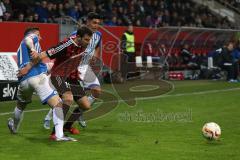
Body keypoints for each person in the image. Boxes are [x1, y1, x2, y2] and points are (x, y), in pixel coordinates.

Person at [18, 26, 93, 137]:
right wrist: (27, 68)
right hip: (58, 76)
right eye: (86, 39)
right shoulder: (65, 45)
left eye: (89, 39)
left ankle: (67, 127)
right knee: (68, 98)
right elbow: (43, 55)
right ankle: (55, 133)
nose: (89, 42)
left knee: (85, 105)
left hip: (72, 78)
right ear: (78, 37)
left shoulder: (83, 45)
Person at [7, 27, 76, 141]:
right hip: (37, 77)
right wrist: (33, 49)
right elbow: (29, 39)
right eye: (38, 35)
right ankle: (59, 135)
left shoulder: (20, 49)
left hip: (24, 80)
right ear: (33, 34)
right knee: (57, 103)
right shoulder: (31, 38)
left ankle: (14, 127)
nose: (40, 37)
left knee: (21, 105)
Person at [43, 12, 102, 130]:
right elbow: (65, 50)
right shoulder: (76, 35)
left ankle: (77, 114)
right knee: (65, 98)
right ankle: (49, 118)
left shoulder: (98, 35)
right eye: (94, 23)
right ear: (88, 22)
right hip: (72, 68)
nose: (96, 26)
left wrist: (95, 56)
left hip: (85, 67)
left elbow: (97, 46)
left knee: (96, 91)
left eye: (98, 23)